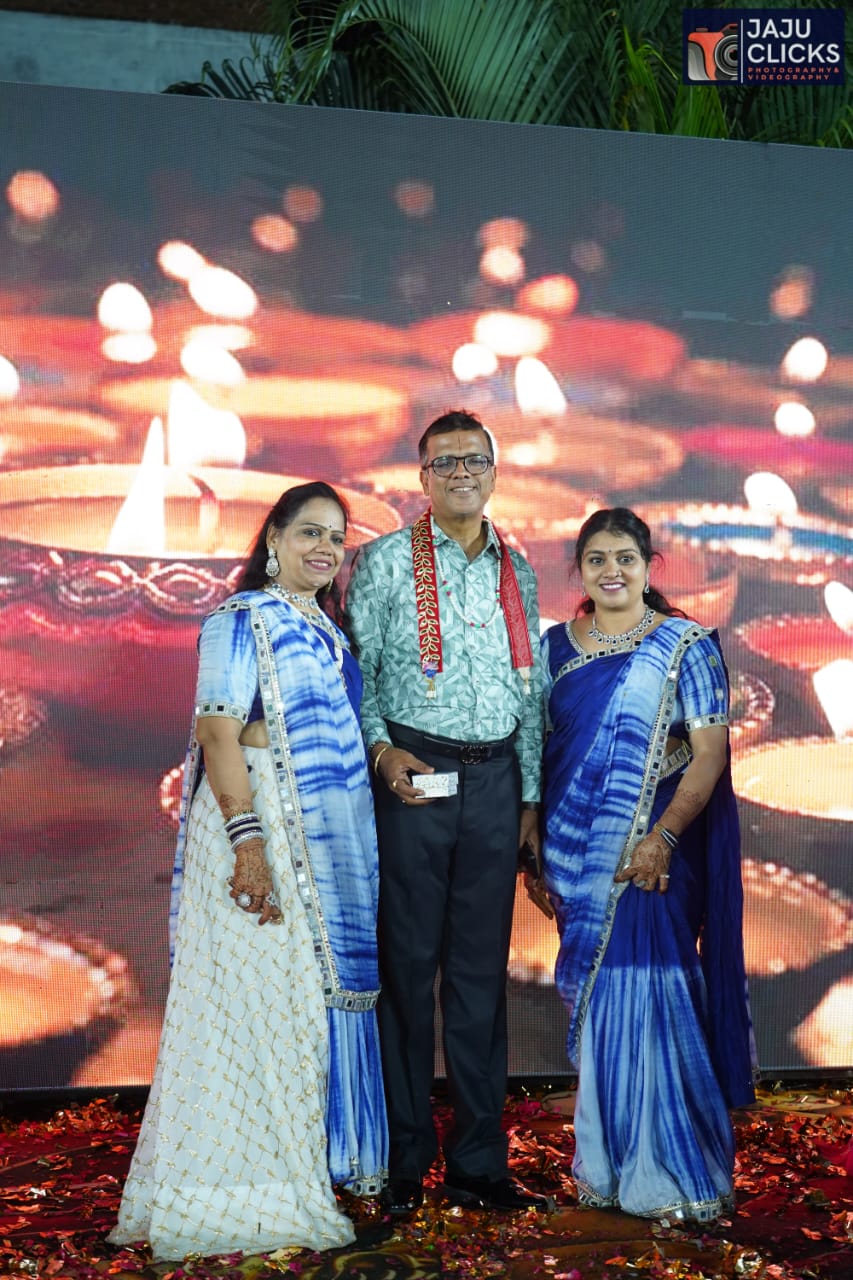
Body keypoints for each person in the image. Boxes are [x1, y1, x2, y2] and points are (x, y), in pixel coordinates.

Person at [110, 481, 388, 1261]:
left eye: (335, 536)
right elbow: (218, 732)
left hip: (324, 840)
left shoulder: (326, 630)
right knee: (253, 1014)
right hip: (257, 829)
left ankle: (291, 1172)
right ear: (272, 539)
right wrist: (248, 842)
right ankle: (236, 1192)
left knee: (298, 1016)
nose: (325, 548)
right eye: (308, 532)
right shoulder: (241, 619)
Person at [346, 409, 549, 1217]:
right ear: (422, 477)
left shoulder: (517, 568)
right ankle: (403, 1159)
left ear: (494, 472)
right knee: (406, 969)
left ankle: (477, 1162)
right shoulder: (384, 561)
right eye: (445, 462)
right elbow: (358, 672)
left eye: (474, 460)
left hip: (495, 782)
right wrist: (380, 751)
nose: (461, 472)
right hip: (416, 774)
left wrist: (528, 796)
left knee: (478, 975)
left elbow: (529, 690)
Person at [535, 507, 755, 1223]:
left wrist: (661, 836)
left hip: (654, 852)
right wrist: (531, 849)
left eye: (624, 558)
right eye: (596, 559)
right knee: (605, 1001)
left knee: (652, 990)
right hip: (576, 854)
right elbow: (538, 754)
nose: (611, 571)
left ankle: (673, 1168)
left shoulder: (685, 646)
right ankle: (605, 1163)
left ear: (648, 565)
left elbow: (709, 755)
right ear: (578, 568)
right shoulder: (552, 649)